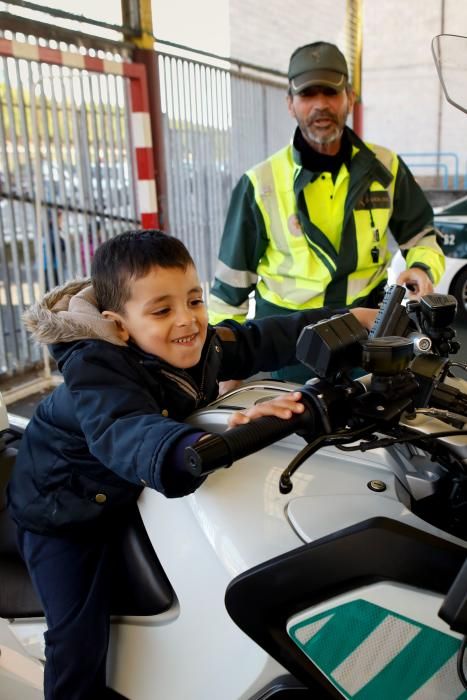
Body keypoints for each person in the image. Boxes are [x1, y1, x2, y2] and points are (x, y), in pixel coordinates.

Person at [7, 229, 376, 699]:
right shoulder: (95, 370)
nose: (189, 321)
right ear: (118, 325)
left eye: (195, 301)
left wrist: (351, 321)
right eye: (162, 310)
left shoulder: (187, 344)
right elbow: (124, 429)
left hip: (122, 488)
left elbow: (262, 337)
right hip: (62, 509)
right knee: (77, 636)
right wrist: (200, 443)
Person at [209, 41, 445, 384]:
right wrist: (224, 371)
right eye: (308, 94)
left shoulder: (386, 168)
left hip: (369, 327)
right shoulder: (260, 184)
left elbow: (423, 234)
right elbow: (230, 287)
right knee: (297, 433)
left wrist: (422, 267)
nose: (321, 105)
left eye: (331, 92)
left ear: (348, 97)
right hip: (292, 340)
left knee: (372, 427)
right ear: (290, 104)